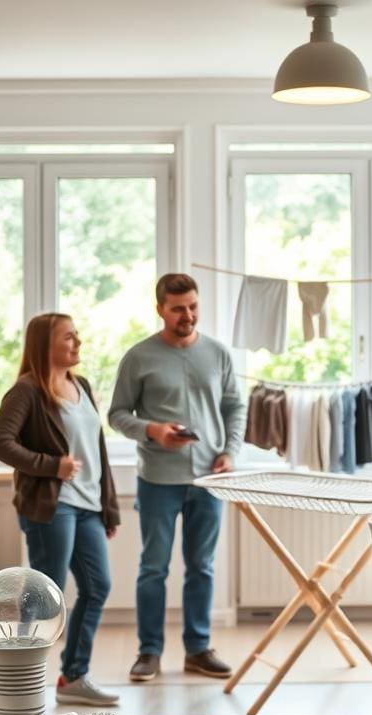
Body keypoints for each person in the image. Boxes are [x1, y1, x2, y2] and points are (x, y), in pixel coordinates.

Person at [108, 273, 247, 682]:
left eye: (193, 306)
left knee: (201, 566)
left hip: (208, 479)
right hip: (157, 479)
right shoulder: (138, 357)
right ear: (160, 309)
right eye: (178, 309)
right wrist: (152, 430)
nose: (187, 315)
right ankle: (149, 651)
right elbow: (117, 414)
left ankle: (198, 650)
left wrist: (230, 451)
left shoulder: (218, 354)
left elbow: (234, 407)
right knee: (153, 567)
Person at [0, 312, 121, 707]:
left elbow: (97, 453)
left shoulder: (81, 385)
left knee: (98, 587)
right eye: (69, 337)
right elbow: (0, 443)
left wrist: (109, 509)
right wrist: (52, 465)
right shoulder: (27, 390)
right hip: (52, 507)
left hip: (88, 507)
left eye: (77, 336)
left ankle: (73, 677)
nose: (77, 343)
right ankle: (17, 679)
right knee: (45, 596)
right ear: (45, 344)